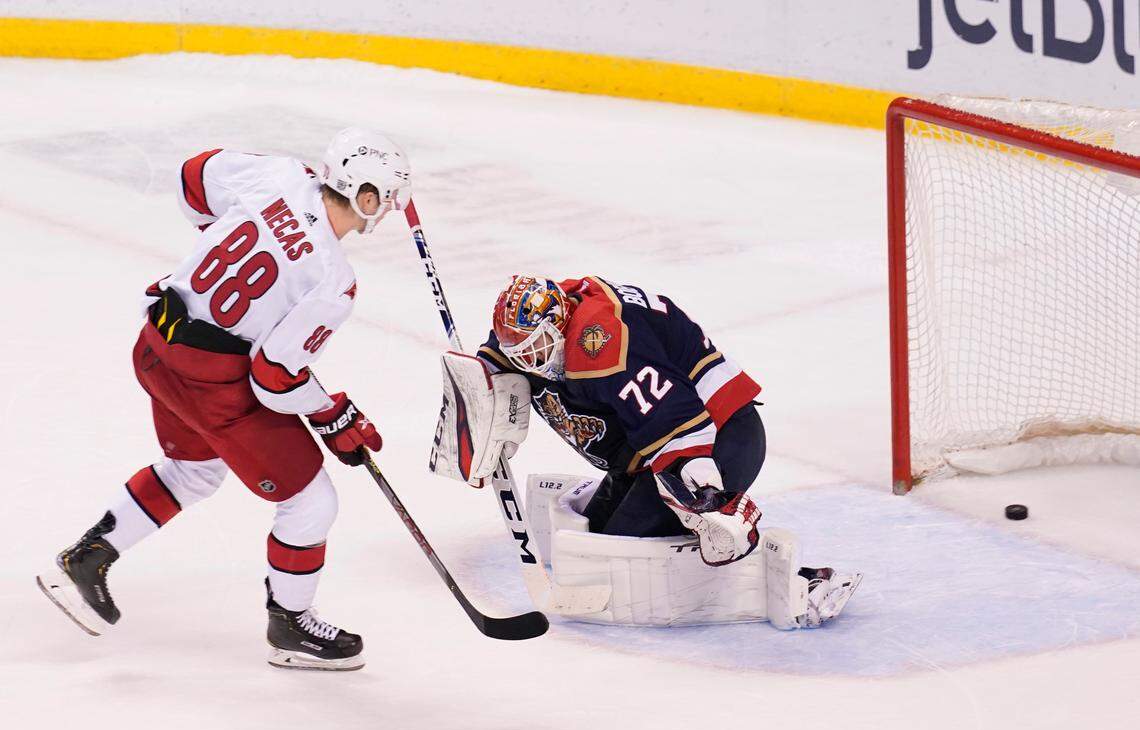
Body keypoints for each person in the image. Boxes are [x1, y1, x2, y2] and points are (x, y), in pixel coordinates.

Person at [36, 128, 410, 671]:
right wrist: (332, 414)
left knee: (193, 470)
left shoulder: (281, 175)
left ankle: (86, 560)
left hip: (157, 346)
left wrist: (220, 245)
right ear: (366, 196)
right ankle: (291, 624)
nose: (391, 209)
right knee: (311, 502)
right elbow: (273, 376)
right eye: (388, 197)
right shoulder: (333, 279)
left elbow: (195, 176)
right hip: (211, 385)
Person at [430, 275, 860, 627]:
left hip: (717, 438)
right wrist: (478, 396)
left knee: (624, 555)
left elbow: (676, 423)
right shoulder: (535, 325)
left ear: (559, 326)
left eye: (536, 347)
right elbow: (495, 362)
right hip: (648, 454)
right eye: (518, 350)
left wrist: (703, 499)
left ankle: (799, 580)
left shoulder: (601, 340)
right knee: (595, 539)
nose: (529, 359)